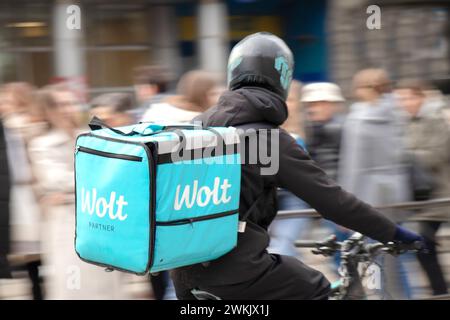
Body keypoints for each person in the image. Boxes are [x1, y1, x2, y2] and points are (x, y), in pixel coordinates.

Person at [170, 32, 425, 300]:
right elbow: (332, 201)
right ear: (282, 79)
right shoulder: (267, 139)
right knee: (316, 288)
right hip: (238, 271)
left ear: (233, 73)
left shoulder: (197, 127)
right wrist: (393, 232)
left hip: (183, 271)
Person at [28, 84, 127, 299]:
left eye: (70, 102)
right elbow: (56, 180)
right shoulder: (42, 144)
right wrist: (96, 183)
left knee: (107, 286)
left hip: (103, 221)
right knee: (73, 285)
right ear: (48, 110)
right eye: (59, 104)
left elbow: (116, 173)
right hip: (68, 226)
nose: (66, 109)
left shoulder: (94, 136)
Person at [338, 69, 413, 299]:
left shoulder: (359, 120)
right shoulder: (397, 114)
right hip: (396, 193)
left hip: (369, 195)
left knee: (373, 260)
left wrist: (343, 207)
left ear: (366, 89)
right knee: (397, 259)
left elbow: (354, 165)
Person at [395, 79, 450, 296]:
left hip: (440, 194)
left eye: (409, 97)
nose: (405, 102)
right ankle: (440, 292)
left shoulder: (435, 120)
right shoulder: (402, 123)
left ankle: (440, 291)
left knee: (425, 245)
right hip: (419, 198)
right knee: (424, 248)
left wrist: (407, 156)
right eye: (401, 98)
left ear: (420, 97)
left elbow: (438, 154)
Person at [140, 70, 218, 123]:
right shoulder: (194, 121)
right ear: (202, 95)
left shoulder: (160, 109)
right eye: (213, 93)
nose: (218, 98)